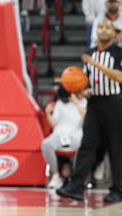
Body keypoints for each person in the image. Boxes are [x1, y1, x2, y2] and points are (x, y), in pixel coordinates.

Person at [57, 18, 122, 203]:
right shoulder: (90, 53)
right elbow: (85, 80)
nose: (103, 30)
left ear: (114, 33)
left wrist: (97, 65)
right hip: (94, 103)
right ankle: (76, 186)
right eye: (100, 27)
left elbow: (120, 76)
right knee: (87, 145)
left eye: (107, 27)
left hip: (114, 103)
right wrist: (81, 89)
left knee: (116, 148)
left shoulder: (118, 53)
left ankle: (118, 189)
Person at [42, 86, 87, 189]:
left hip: (75, 137)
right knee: (46, 144)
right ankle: (56, 175)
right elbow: (53, 123)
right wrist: (48, 113)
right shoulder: (59, 103)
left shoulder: (83, 102)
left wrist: (76, 102)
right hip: (59, 135)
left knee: (84, 147)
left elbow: (86, 118)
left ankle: (76, 178)